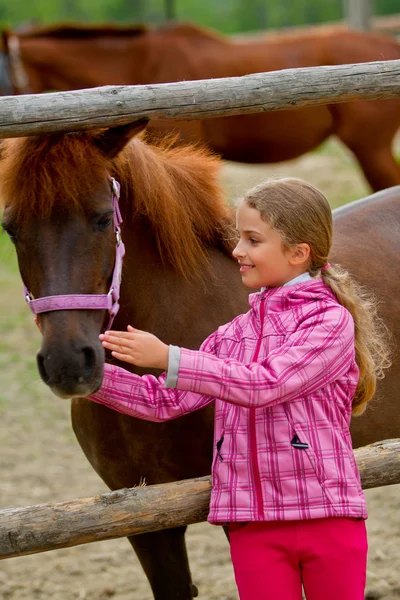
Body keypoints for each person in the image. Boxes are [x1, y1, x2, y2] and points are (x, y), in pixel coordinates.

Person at [87, 177, 391, 600]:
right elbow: (164, 401)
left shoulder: (329, 324)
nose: (237, 251)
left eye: (252, 240)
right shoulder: (229, 336)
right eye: (239, 238)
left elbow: (268, 383)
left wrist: (169, 358)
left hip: (328, 518)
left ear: (298, 253)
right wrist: (87, 374)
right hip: (253, 525)